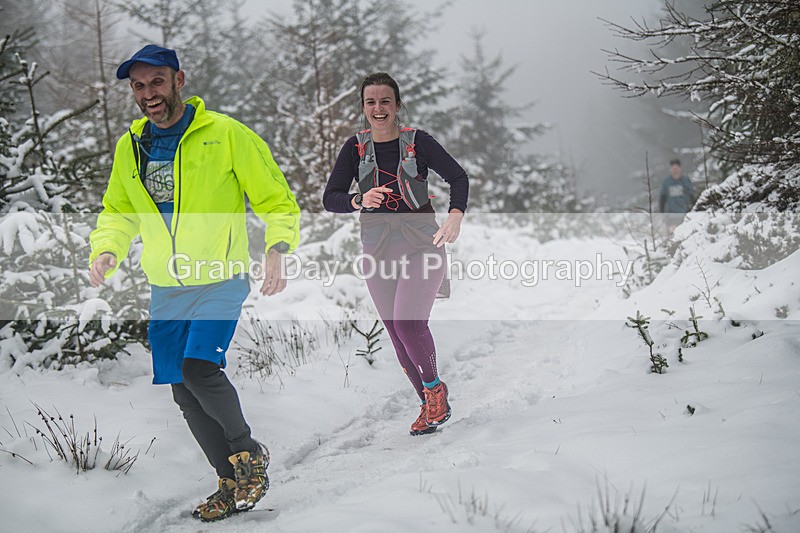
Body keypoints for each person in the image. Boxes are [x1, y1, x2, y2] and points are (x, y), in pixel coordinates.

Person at [88, 44, 300, 522]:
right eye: (139, 86)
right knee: (182, 390)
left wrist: (276, 247)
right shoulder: (132, 145)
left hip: (219, 277)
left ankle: (249, 456)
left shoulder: (224, 134)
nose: (148, 94)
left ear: (179, 81)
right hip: (166, 284)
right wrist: (106, 249)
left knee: (200, 368)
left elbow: (275, 198)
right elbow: (118, 210)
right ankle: (228, 480)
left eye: (157, 83)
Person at [323, 72, 469, 437]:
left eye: (385, 101)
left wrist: (455, 216)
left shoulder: (418, 142)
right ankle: (429, 406)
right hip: (378, 251)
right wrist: (358, 199)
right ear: (363, 107)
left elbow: (458, 177)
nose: (378, 108)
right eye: (370, 102)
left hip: (422, 245)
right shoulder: (354, 148)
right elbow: (331, 197)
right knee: (395, 330)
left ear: (397, 104)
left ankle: (436, 390)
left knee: (408, 324)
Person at [658, 158, 694, 233]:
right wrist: (662, 213)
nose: (675, 170)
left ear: (680, 168)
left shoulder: (686, 180)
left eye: (676, 168)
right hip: (671, 215)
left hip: (685, 213)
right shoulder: (666, 182)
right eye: (673, 168)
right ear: (670, 169)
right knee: (672, 235)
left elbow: (692, 196)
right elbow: (662, 198)